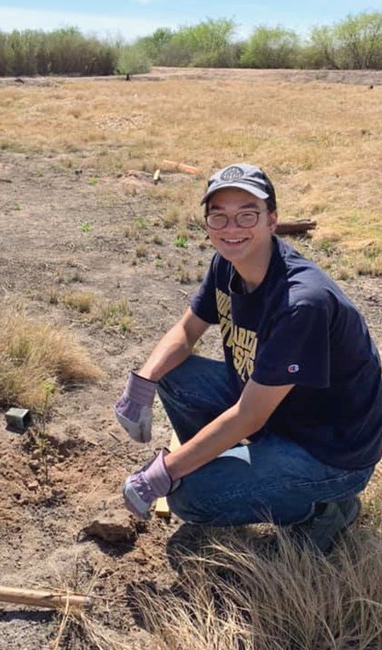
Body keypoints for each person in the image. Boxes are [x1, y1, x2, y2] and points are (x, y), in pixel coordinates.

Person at [116, 163, 382, 553]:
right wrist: (142, 383)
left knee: (191, 498)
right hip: (280, 410)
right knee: (173, 374)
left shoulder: (301, 302)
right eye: (218, 216)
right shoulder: (228, 265)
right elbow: (188, 331)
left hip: (331, 450)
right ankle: (225, 466)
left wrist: (165, 472)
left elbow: (249, 415)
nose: (231, 228)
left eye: (247, 214)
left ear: (272, 220)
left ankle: (324, 509)